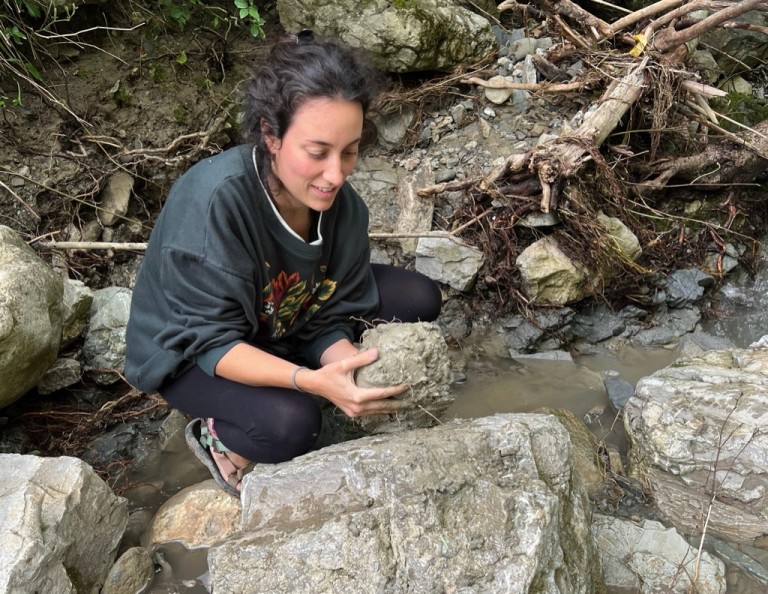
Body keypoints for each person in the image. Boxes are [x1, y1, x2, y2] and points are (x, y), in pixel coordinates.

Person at [124, 31, 442, 497]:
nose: (335, 175)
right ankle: (216, 438)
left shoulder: (343, 208)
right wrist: (309, 381)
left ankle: (301, 376)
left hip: (283, 316)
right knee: (293, 423)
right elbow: (213, 341)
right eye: (317, 153)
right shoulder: (216, 202)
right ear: (271, 136)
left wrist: (348, 366)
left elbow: (329, 312)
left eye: (350, 151)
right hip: (191, 350)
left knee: (419, 298)